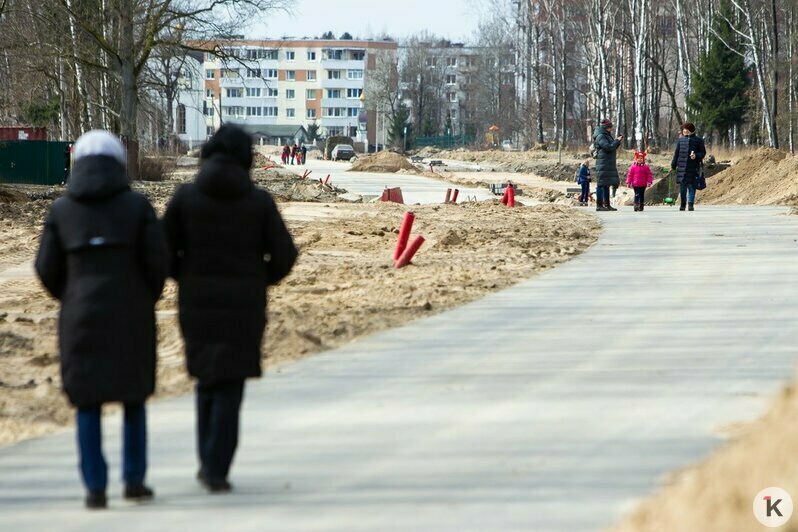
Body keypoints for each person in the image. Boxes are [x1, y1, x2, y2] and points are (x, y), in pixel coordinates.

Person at [35, 130, 167, 510]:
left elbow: (45, 268)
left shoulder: (62, 210)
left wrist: (72, 296)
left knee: (88, 402)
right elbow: (157, 264)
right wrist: (143, 296)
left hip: (80, 317)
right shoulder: (138, 206)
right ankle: (134, 480)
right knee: (133, 398)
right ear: (117, 162)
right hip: (132, 314)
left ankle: (95, 487)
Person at [163, 124, 298, 493]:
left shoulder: (185, 198)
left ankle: (208, 460)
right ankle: (216, 466)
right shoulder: (259, 202)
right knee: (230, 384)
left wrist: (184, 275)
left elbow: (161, 251)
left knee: (207, 379)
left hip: (196, 302)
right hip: (245, 305)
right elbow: (285, 255)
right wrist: (260, 278)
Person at [671, 122, 706, 211]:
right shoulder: (680, 140)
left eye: (685, 129)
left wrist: (696, 156)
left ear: (691, 130)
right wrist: (673, 165)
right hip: (682, 167)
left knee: (692, 187)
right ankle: (683, 205)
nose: (684, 131)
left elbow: (703, 152)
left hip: (693, 167)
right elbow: (676, 153)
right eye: (683, 129)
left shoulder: (699, 140)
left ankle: (690, 204)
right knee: (682, 188)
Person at [592, 118, 623, 212]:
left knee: (606, 185)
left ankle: (607, 205)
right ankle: (599, 205)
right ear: (606, 127)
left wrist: (617, 141)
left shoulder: (606, 135)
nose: (612, 129)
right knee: (601, 185)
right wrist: (617, 141)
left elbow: (611, 147)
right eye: (610, 127)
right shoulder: (601, 136)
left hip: (607, 163)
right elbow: (608, 147)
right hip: (603, 164)